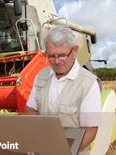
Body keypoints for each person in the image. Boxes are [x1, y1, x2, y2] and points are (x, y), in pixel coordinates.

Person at [25, 26, 102, 154]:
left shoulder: (88, 83)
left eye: (62, 55)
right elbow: (30, 109)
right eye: (51, 56)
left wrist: (65, 151)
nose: (56, 61)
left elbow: (91, 130)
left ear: (75, 50)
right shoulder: (41, 76)